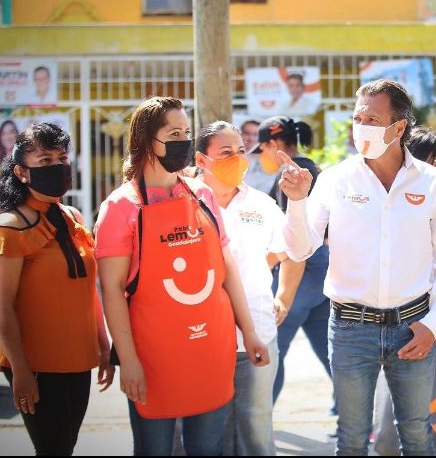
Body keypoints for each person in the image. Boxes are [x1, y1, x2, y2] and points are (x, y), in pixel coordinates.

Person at [279, 79, 436, 455]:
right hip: (350, 329)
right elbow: (299, 249)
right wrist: (296, 202)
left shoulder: (432, 183)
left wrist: (434, 323)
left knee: (415, 433)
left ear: (399, 127)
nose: (360, 125)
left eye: (372, 118)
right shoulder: (336, 179)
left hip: (413, 327)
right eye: (357, 116)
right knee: (352, 438)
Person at [94, 96, 269, 456]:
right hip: (152, 359)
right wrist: (128, 360)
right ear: (146, 140)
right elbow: (111, 290)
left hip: (211, 349)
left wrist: (248, 331)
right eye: (174, 132)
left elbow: (226, 269)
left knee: (209, 448)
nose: (184, 141)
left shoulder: (202, 194)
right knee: (154, 450)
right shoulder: (120, 207)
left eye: (187, 132)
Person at [0, 122, 114, 455]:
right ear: (22, 172)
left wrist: (103, 346)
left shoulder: (72, 216)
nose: (56, 166)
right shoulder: (10, 226)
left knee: (66, 446)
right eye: (44, 160)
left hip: (78, 359)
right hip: (36, 364)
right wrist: (20, 370)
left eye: (61, 158)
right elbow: (2, 306)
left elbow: (87, 289)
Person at [195, 120, 305, 455]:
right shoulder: (183, 201)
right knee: (204, 433)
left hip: (255, 333)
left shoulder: (261, 204)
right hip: (198, 338)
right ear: (201, 160)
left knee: (255, 431)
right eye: (225, 152)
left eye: (241, 151)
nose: (237, 159)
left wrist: (283, 298)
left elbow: (293, 252)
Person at [372, 125, 436, 456]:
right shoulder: (384, 199)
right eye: (435, 159)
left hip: (432, 323)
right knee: (388, 431)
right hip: (390, 324)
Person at [252, 115, 337, 414]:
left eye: (261, 149)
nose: (261, 157)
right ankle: (355, 417)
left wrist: (262, 265)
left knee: (272, 350)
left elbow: (291, 238)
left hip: (301, 271)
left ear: (273, 144)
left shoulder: (290, 174)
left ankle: (258, 418)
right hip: (323, 273)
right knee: (330, 353)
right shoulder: (313, 169)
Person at [240, 119, 276, 194]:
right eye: (247, 133)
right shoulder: (231, 157)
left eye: (255, 134)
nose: (251, 138)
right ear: (240, 134)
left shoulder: (271, 159)